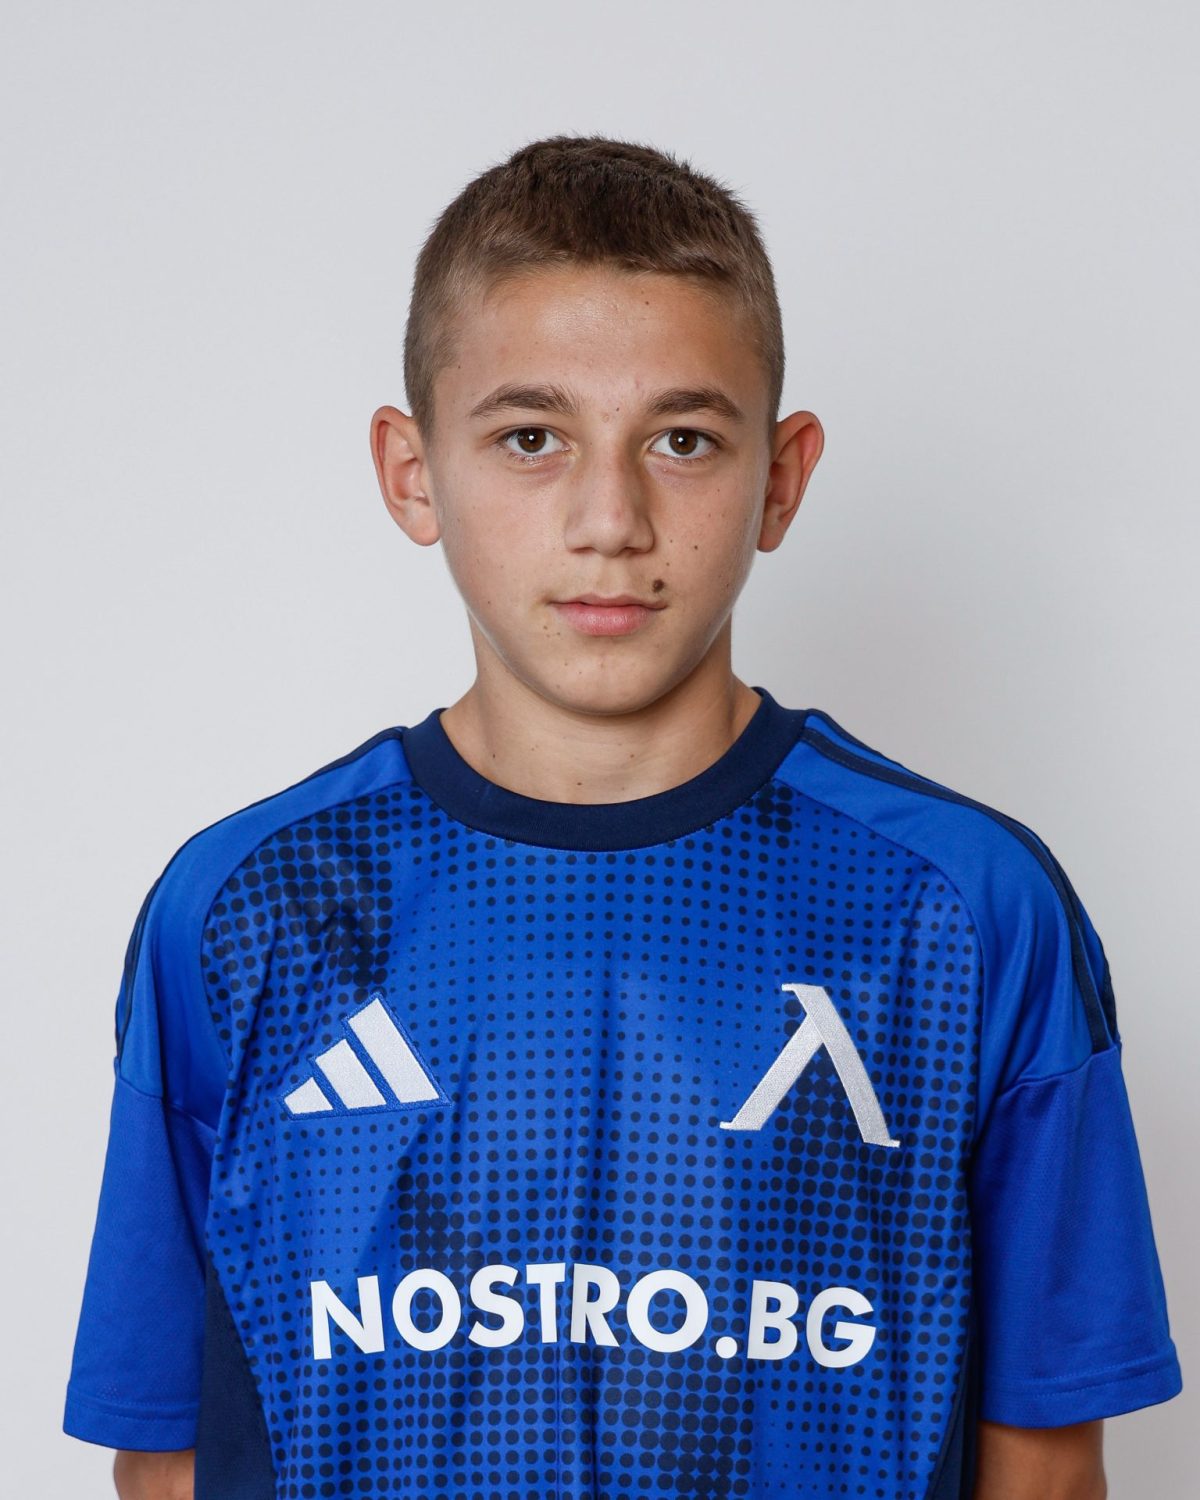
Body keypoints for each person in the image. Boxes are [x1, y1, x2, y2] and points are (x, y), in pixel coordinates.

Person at [63, 134, 1181, 1500]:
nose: (610, 519)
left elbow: (1045, 1465)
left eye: (682, 440)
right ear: (412, 472)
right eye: (531, 439)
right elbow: (168, 1453)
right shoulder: (249, 908)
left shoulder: (963, 907)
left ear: (781, 476)